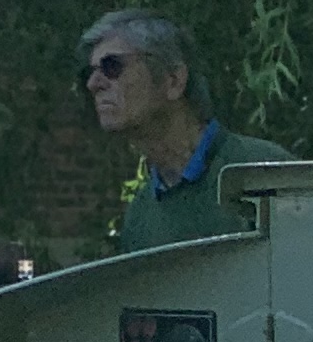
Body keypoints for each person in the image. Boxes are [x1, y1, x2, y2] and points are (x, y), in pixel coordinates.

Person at [81, 13, 289, 249]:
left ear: (173, 80)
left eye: (112, 67)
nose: (93, 84)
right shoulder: (140, 215)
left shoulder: (263, 170)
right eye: (89, 72)